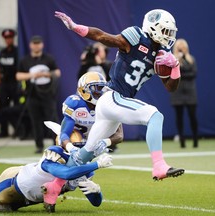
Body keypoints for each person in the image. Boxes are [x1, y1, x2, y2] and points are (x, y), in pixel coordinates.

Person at [55, 9, 185, 181]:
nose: (168, 36)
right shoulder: (136, 36)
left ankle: (53, 186)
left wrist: (175, 67)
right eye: (165, 31)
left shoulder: (161, 54)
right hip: (113, 97)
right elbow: (102, 36)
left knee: (85, 154)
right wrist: (76, 27)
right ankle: (159, 165)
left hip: (113, 104)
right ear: (153, 28)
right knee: (155, 116)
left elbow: (170, 87)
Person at [42, 71, 124, 206]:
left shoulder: (108, 104)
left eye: (101, 88)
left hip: (92, 145)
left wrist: (106, 141)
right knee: (76, 140)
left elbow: (120, 135)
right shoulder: (75, 104)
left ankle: (68, 182)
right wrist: (71, 148)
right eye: (96, 88)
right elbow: (64, 134)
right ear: (84, 90)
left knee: (93, 197)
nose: (100, 92)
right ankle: (63, 181)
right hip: (72, 143)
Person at [0, 145, 113, 213]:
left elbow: (96, 203)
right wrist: (97, 164)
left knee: (9, 206)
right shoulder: (55, 156)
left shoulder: (83, 169)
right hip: (14, 183)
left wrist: (96, 191)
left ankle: (7, 205)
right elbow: (66, 174)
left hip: (30, 196)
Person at [16, 35, 61, 153]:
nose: (36, 45)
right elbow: (18, 75)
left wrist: (47, 74)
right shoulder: (25, 60)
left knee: (52, 119)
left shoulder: (49, 59)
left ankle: (56, 143)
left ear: (42, 45)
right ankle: (39, 145)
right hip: (32, 94)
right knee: (35, 120)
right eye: (34, 43)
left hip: (48, 94)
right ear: (31, 45)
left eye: (38, 43)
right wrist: (32, 75)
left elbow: (57, 72)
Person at [170, 38, 198, 148]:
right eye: (179, 47)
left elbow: (193, 74)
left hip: (190, 92)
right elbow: (173, 74)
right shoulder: (173, 60)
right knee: (179, 117)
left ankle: (196, 141)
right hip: (177, 92)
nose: (181, 49)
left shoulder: (191, 59)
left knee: (192, 116)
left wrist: (182, 73)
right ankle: (182, 141)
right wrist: (178, 63)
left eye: (183, 47)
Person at [0, 29, 19, 138]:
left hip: (14, 83)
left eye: (10, 38)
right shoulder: (2, 52)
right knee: (3, 107)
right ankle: (3, 130)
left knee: (16, 106)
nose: (8, 40)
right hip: (4, 84)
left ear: (13, 38)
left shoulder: (17, 52)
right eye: (6, 38)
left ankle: (18, 129)